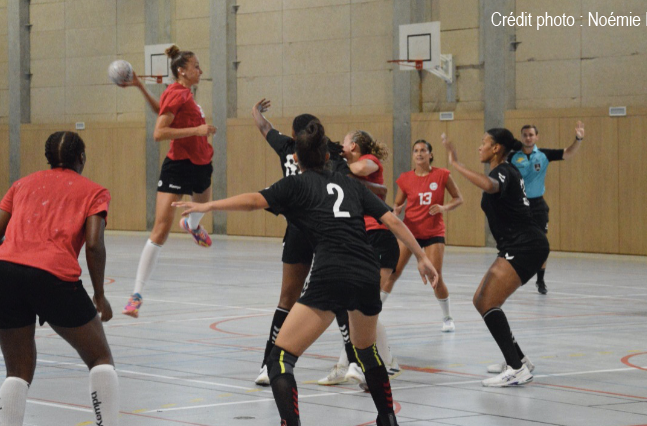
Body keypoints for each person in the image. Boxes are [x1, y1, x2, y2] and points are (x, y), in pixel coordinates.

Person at [173, 120, 438, 426]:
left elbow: (253, 201)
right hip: (367, 271)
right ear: (328, 157)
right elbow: (392, 220)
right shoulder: (349, 183)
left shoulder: (295, 185)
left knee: (280, 359)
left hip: (332, 273)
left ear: (295, 160)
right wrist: (421, 257)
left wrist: (207, 206)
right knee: (366, 351)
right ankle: (387, 418)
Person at [250, 99, 383, 386]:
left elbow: (264, 128)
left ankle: (267, 364)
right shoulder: (328, 151)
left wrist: (255, 111)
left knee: (288, 299)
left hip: (302, 229)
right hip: (329, 229)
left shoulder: (287, 146)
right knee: (339, 298)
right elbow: (366, 167)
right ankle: (356, 364)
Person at [0, 132, 119, 426]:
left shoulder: (21, 185)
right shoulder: (94, 192)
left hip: (7, 273)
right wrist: (99, 295)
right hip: (54, 276)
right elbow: (94, 244)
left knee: (17, 371)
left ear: (48, 158)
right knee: (100, 359)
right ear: (82, 158)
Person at [442, 130, 549, 387]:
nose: (480, 147)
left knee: (488, 300)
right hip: (518, 244)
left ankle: (516, 368)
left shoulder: (502, 170)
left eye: (484, 143)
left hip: (525, 244)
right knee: (481, 300)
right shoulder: (506, 170)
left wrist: (457, 165)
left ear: (497, 148)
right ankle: (519, 359)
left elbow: (491, 186)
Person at [122, 45, 217, 318]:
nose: (200, 70)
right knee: (160, 230)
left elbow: (162, 110)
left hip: (201, 162)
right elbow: (159, 132)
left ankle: (190, 224)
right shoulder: (178, 91)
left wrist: (140, 86)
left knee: (202, 207)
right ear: (182, 71)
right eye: (196, 66)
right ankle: (136, 295)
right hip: (178, 166)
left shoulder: (181, 93)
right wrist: (197, 130)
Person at [317, 130, 401, 388]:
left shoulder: (370, 161)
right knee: (360, 308)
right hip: (361, 240)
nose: (341, 145)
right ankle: (379, 362)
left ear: (353, 145)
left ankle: (356, 364)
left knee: (363, 308)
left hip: (380, 240)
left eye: (344, 142)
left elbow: (361, 169)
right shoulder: (343, 171)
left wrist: (339, 162)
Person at [384, 139, 464, 332]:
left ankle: (447, 317)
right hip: (410, 233)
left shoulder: (442, 175)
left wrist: (444, 207)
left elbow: (458, 198)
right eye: (416, 151)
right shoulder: (405, 179)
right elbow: (397, 205)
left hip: (433, 233)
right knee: (393, 272)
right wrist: (397, 209)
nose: (419, 154)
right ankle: (375, 310)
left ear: (430, 154)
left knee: (434, 276)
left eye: (423, 150)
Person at [508, 122, 585, 294]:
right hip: (518, 206)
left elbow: (568, 153)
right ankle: (510, 280)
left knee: (542, 243)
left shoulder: (543, 155)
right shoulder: (512, 157)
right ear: (521, 137)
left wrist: (578, 139)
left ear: (536, 137)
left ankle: (540, 281)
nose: (528, 137)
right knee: (514, 244)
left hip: (537, 205)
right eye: (525, 135)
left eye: (531, 135)